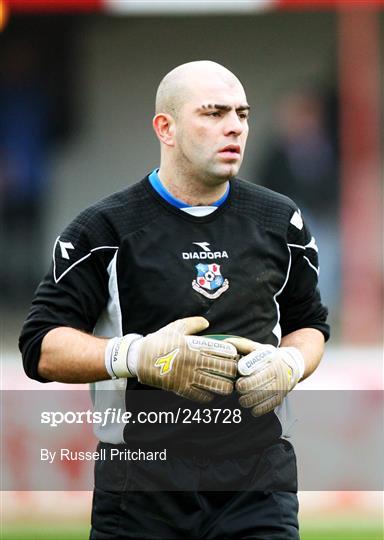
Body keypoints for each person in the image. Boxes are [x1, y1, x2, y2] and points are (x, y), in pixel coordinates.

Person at [19, 60, 329, 540]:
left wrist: (289, 363)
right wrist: (138, 357)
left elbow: (310, 323)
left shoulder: (280, 220)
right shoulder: (104, 229)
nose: (234, 127)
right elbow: (40, 346)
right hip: (142, 486)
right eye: (213, 113)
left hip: (258, 482)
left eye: (242, 115)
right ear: (165, 127)